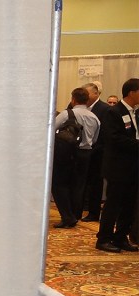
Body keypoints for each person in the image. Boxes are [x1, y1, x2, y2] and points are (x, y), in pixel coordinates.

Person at [95, 78, 139, 253]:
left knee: (129, 205)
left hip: (133, 167)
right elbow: (114, 139)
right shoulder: (114, 112)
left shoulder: (135, 113)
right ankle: (104, 239)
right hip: (118, 167)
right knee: (113, 204)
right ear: (131, 92)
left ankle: (121, 237)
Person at [51, 87, 100, 228]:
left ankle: (67, 216)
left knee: (59, 184)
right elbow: (95, 139)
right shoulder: (94, 117)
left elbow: (51, 129)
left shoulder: (67, 114)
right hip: (86, 154)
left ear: (73, 99)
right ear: (87, 100)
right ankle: (74, 214)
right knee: (78, 185)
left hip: (66, 152)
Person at [81, 82, 109, 221]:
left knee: (95, 184)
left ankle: (93, 212)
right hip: (82, 152)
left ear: (96, 93)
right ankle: (78, 209)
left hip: (98, 153)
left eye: (87, 93)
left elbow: (105, 134)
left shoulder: (105, 109)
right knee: (82, 182)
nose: (85, 96)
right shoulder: (81, 107)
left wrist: (93, 149)